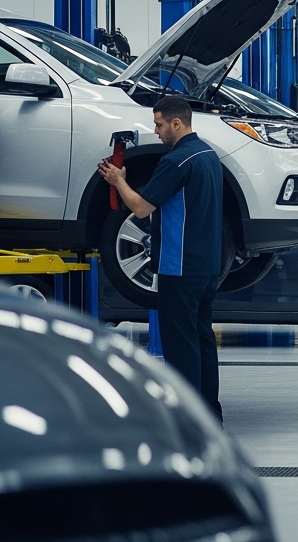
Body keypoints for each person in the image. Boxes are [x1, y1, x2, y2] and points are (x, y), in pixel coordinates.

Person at [97, 95, 225, 420]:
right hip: (207, 266)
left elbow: (141, 208)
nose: (156, 131)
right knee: (202, 342)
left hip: (179, 267)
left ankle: (188, 422)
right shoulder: (208, 155)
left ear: (176, 123)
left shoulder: (177, 160)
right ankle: (210, 416)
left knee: (181, 350)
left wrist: (118, 181)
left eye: (159, 124)